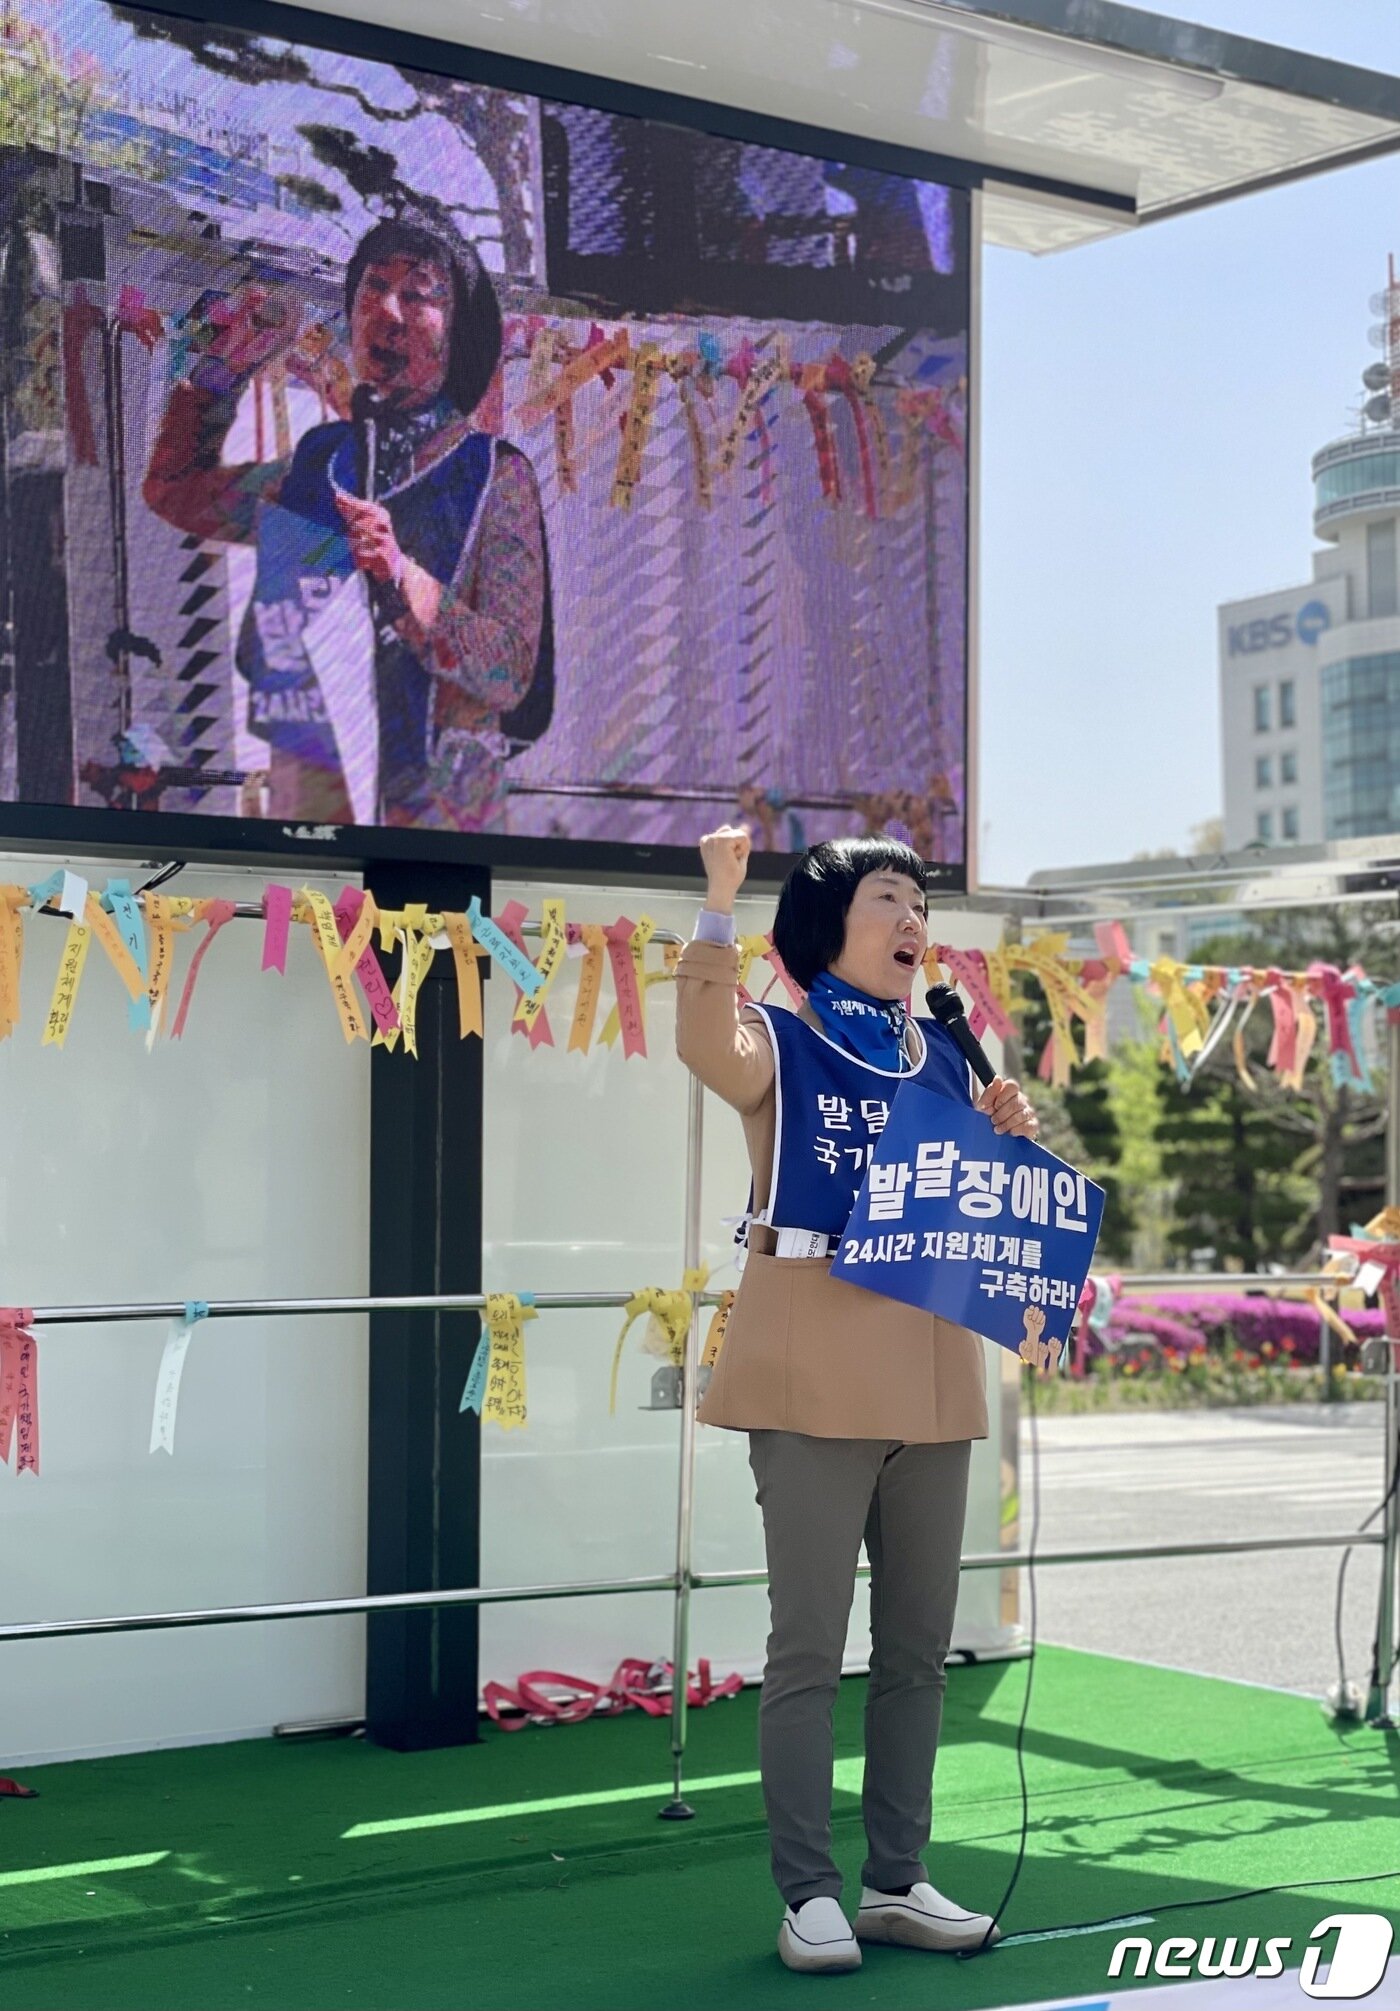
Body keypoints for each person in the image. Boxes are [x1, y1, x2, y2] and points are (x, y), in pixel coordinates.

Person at [675, 824, 1039, 1976]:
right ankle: (806, 1892)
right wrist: (721, 903)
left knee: (918, 1651)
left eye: (919, 902)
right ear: (828, 926)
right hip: (811, 1370)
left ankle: (897, 1878)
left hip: (932, 1374)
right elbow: (701, 1041)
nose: (913, 921)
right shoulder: (777, 1039)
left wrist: (1006, 1141)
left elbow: (968, 1211)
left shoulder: (941, 1052)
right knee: (806, 1649)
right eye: (889, 898)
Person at [143, 217, 550, 830]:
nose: (387, 309)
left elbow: (510, 674)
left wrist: (401, 578)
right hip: (319, 810)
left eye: (417, 294)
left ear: (460, 329)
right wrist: (217, 376)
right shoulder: (323, 464)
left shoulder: (495, 475)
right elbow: (176, 493)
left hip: (441, 822)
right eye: (372, 286)